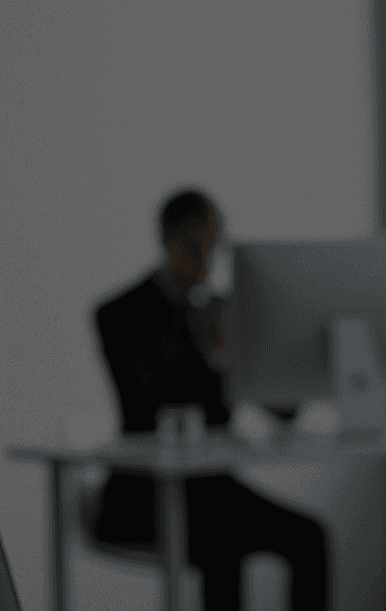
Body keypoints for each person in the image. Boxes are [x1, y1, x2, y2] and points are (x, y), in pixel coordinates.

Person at [92, 188, 331, 611]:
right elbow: (144, 406)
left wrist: (278, 351)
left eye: (213, 250)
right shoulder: (119, 315)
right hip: (143, 492)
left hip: (214, 489)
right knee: (223, 546)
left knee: (309, 537)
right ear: (166, 242)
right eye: (193, 249)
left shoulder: (226, 314)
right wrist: (208, 351)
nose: (205, 264)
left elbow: (284, 411)